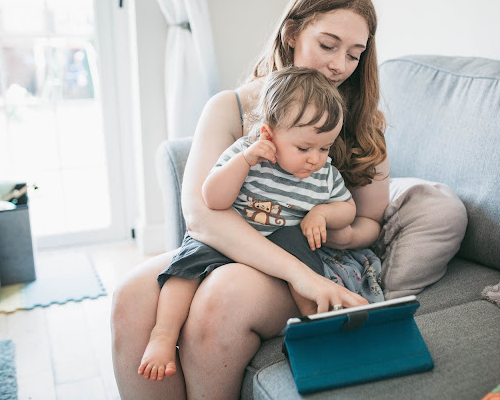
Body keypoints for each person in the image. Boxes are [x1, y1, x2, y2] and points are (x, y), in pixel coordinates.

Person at [113, 0, 392, 398]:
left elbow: (371, 220)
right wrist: (299, 277)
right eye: (328, 45)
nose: (340, 65)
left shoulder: (362, 122)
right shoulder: (231, 108)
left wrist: (336, 228)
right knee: (131, 297)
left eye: (355, 54)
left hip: (319, 256)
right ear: (293, 33)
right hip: (243, 245)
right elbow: (202, 215)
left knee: (222, 298)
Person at [138, 67, 358, 380]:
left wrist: (322, 214)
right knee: (184, 270)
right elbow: (213, 199)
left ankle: (315, 335)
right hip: (234, 236)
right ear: (269, 135)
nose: (315, 159)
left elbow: (347, 208)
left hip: (283, 242)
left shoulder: (323, 175)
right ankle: (163, 335)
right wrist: (245, 162)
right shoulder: (246, 154)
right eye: (304, 148)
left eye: (324, 148)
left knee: (308, 272)